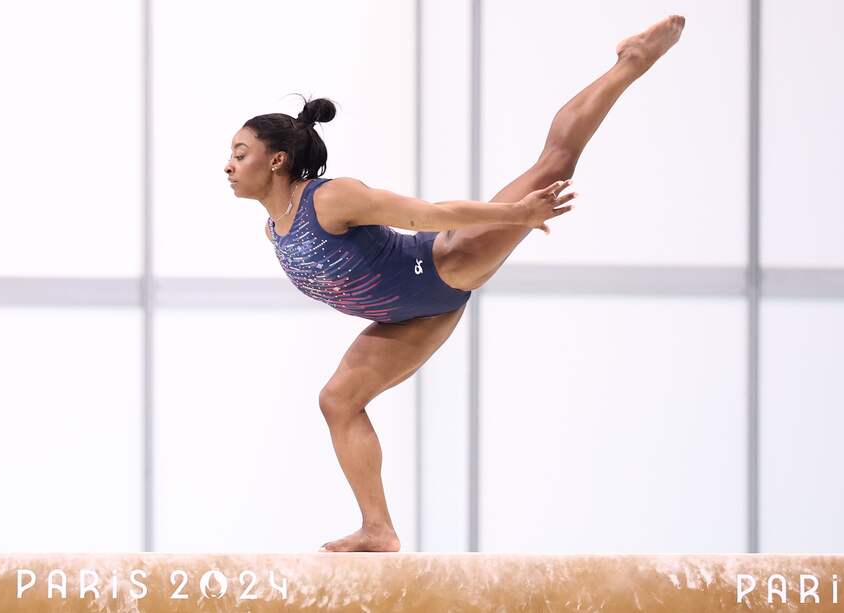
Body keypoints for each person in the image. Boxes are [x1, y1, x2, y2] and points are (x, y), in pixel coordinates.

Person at [223, 14, 685, 552]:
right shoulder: (273, 230)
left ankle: (631, 62)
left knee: (556, 162)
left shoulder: (329, 199)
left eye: (239, 154)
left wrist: (514, 215)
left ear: (277, 160)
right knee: (338, 401)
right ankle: (379, 529)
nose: (228, 166)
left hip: (443, 264)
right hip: (410, 317)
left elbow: (428, 214)